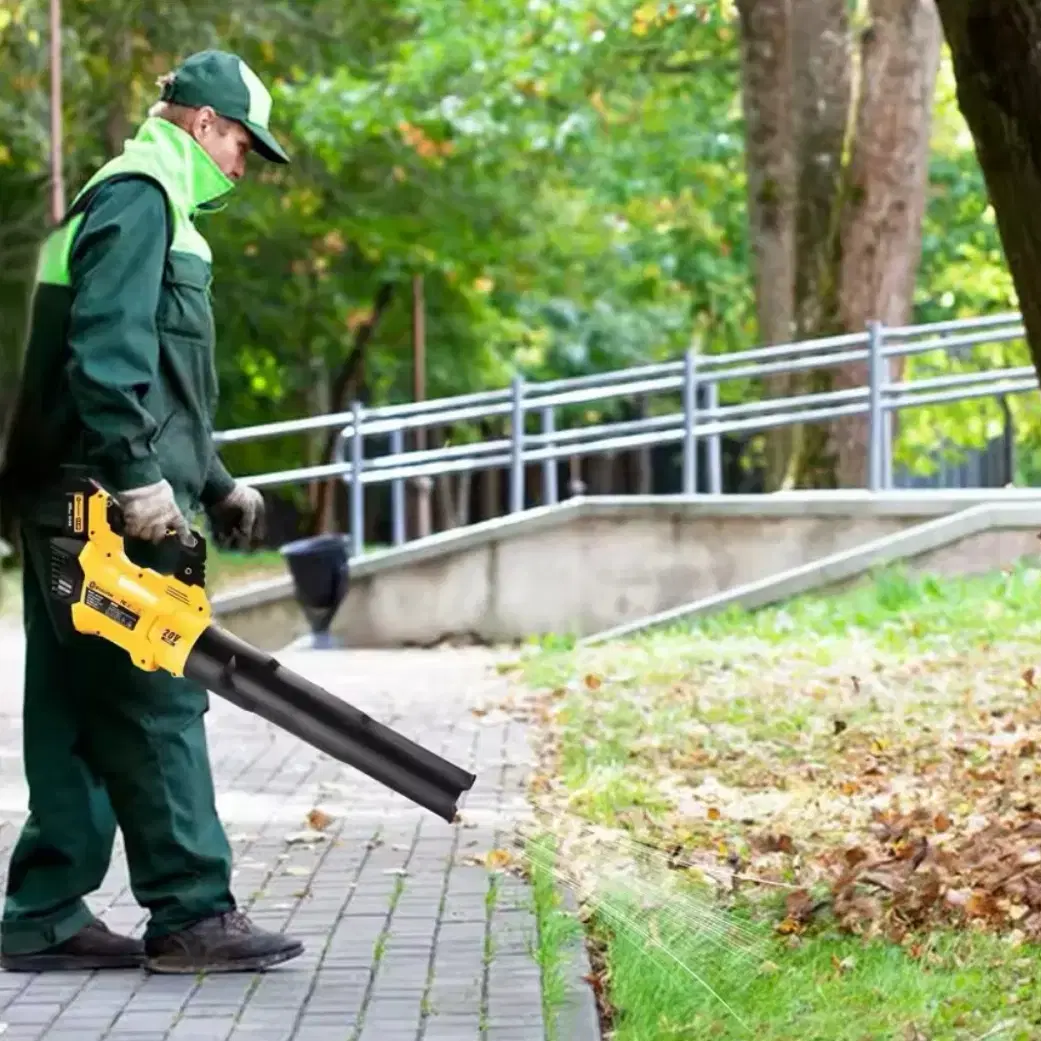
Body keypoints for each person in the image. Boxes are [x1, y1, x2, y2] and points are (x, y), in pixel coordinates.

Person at [0, 50, 305, 974]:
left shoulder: (136, 202)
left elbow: (164, 384)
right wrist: (138, 482)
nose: (243, 168)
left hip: (65, 497)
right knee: (155, 698)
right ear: (206, 124)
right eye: (244, 147)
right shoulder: (141, 198)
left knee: (72, 708)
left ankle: (42, 914)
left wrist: (214, 485)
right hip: (102, 506)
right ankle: (190, 915)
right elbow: (105, 355)